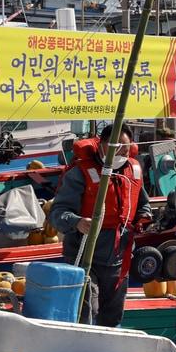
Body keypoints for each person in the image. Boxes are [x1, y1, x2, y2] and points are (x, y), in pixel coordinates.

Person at [49, 125, 151, 327]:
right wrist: (77, 222)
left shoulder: (134, 171)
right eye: (115, 145)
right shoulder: (80, 173)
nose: (120, 150)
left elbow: (143, 203)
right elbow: (57, 213)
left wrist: (144, 217)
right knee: (87, 308)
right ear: (102, 145)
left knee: (113, 313)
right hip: (85, 253)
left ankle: (108, 349)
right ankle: (81, 349)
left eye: (125, 146)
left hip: (119, 255)